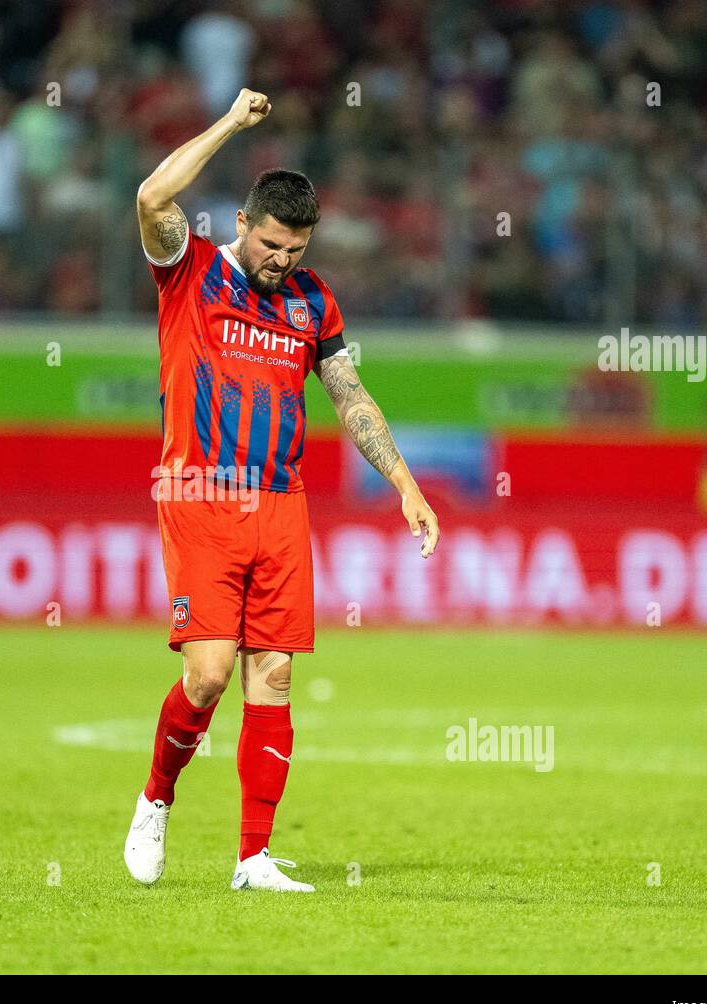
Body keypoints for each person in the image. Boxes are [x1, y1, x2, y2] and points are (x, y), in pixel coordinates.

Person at [125, 89, 440, 893]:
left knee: (275, 676)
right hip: (200, 493)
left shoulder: (312, 301)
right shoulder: (188, 271)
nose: (282, 262)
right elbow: (151, 196)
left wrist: (403, 481)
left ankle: (253, 857)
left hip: (281, 502)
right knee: (208, 675)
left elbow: (349, 394)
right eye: (270, 245)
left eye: (295, 250)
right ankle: (157, 798)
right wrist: (232, 124)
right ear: (240, 223)